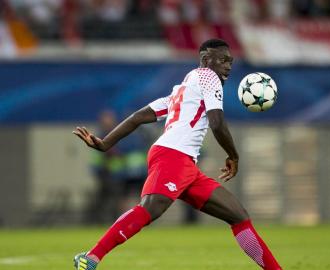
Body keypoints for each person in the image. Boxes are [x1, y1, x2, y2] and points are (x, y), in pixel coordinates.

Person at [72, 38, 282, 270]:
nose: (228, 66)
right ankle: (90, 258)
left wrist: (105, 143)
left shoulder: (183, 90)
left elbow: (139, 116)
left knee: (238, 215)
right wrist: (233, 155)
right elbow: (217, 123)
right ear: (205, 60)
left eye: (230, 61)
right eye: (222, 59)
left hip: (185, 164)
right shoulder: (207, 77)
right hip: (172, 156)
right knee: (149, 209)